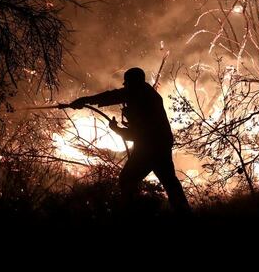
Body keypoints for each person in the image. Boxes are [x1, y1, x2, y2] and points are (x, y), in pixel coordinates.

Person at [70, 67, 191, 212]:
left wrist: (117, 129)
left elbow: (139, 133)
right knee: (170, 183)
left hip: (150, 148)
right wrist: (85, 101)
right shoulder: (144, 94)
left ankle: (132, 215)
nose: (124, 85)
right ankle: (184, 215)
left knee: (127, 180)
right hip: (159, 146)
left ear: (133, 82)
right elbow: (113, 96)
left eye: (126, 82)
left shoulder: (142, 97)